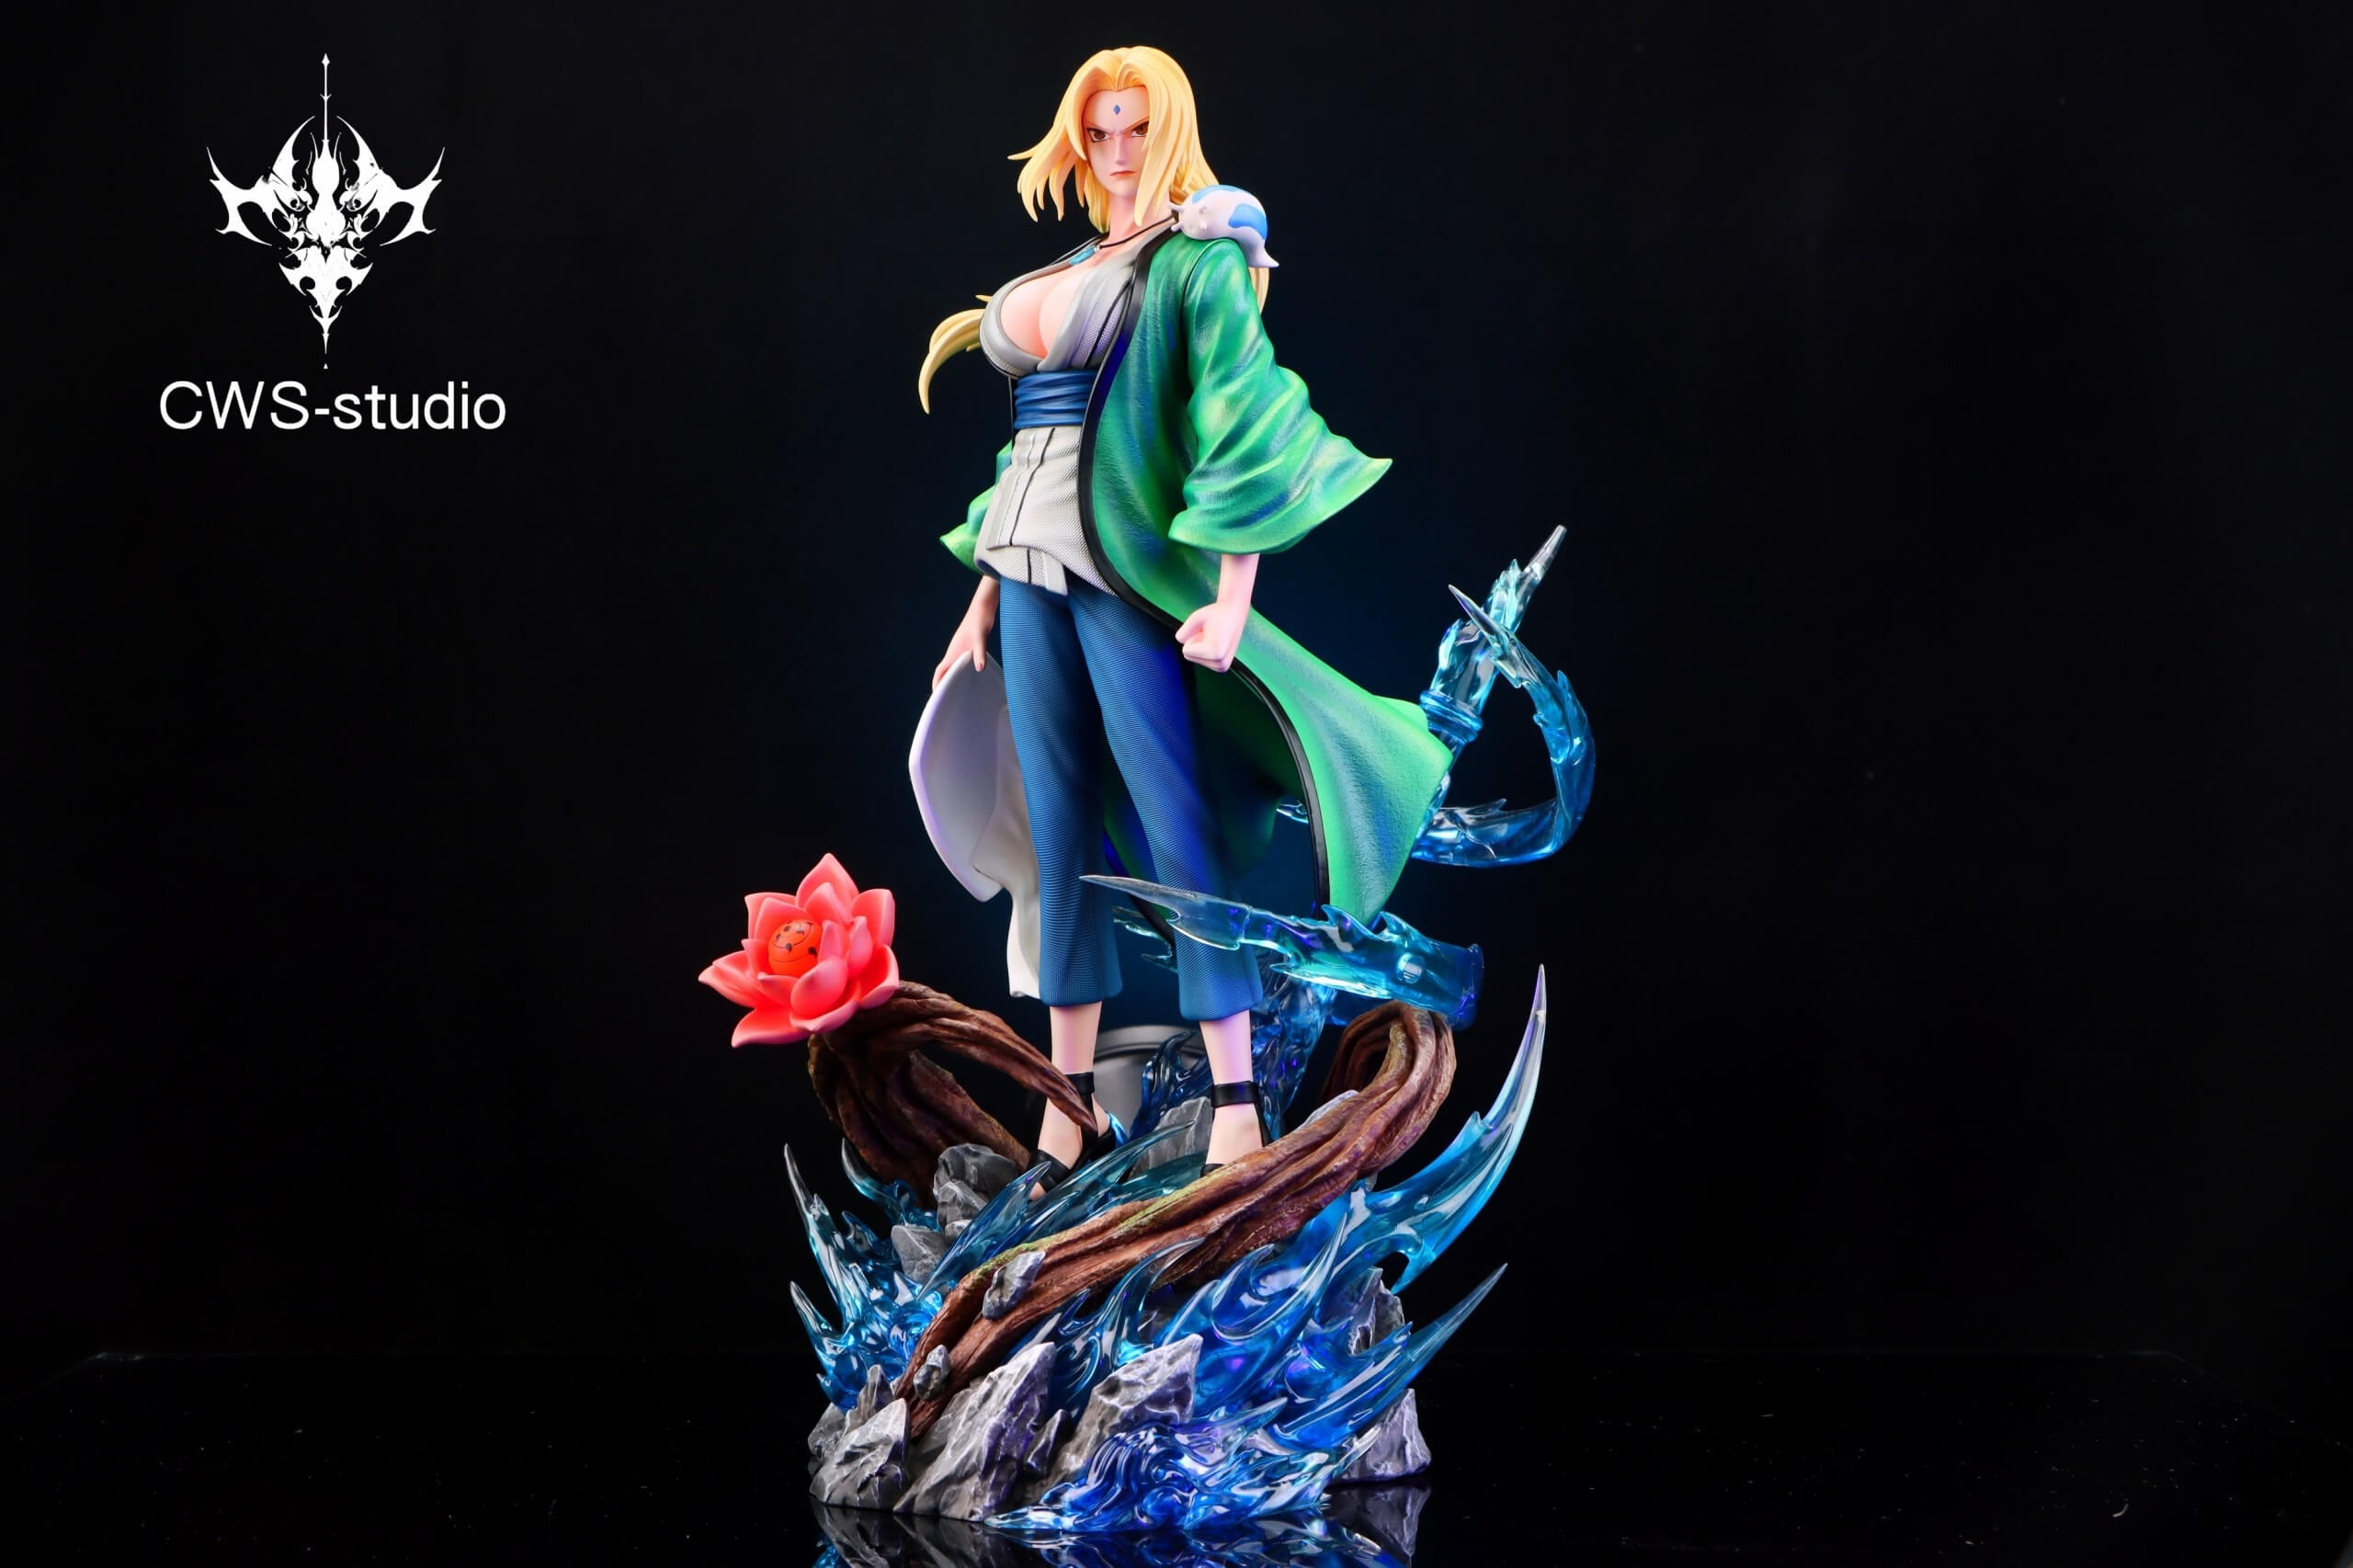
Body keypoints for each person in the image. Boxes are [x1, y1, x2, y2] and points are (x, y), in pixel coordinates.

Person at [917, 46, 1451, 1184]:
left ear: (1166, 131)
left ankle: (1237, 1100)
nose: (1116, 149)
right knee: (1059, 833)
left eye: (1134, 127)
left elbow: (1239, 425)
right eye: (1099, 129)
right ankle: (1067, 1106)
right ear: (1076, 139)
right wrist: (978, 598)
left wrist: (1231, 597)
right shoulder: (1075, 263)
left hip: (1125, 580)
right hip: (1025, 574)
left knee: (1173, 825)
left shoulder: (1194, 261)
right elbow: (1028, 454)